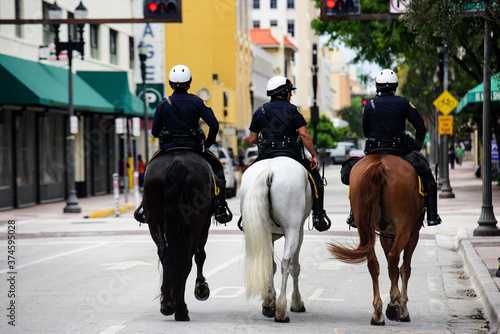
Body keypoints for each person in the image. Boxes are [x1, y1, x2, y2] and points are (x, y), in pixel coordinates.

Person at [134, 64, 232, 225]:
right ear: (189, 82)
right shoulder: (198, 102)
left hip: (168, 148)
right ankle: (221, 206)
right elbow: (214, 124)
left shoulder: (163, 104)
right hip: (193, 147)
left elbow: (155, 132)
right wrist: (208, 143)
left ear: (171, 83)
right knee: (218, 168)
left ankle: (145, 206)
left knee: (151, 167)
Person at [345, 69, 441, 227]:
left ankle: (353, 215)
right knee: (428, 177)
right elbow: (421, 128)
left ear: (377, 87)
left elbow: (366, 132)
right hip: (400, 151)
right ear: (395, 87)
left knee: (355, 176)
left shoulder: (370, 105)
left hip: (374, 150)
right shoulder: (404, 103)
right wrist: (416, 149)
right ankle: (432, 215)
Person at [245, 76, 331, 232]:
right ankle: (318, 215)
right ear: (283, 92)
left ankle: (245, 218)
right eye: (289, 92)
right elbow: (304, 135)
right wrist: (313, 155)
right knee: (316, 178)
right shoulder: (293, 110)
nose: (291, 95)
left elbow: (252, 138)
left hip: (266, 154)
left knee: (248, 177)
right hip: (291, 154)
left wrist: (267, 142)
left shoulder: (260, 110)